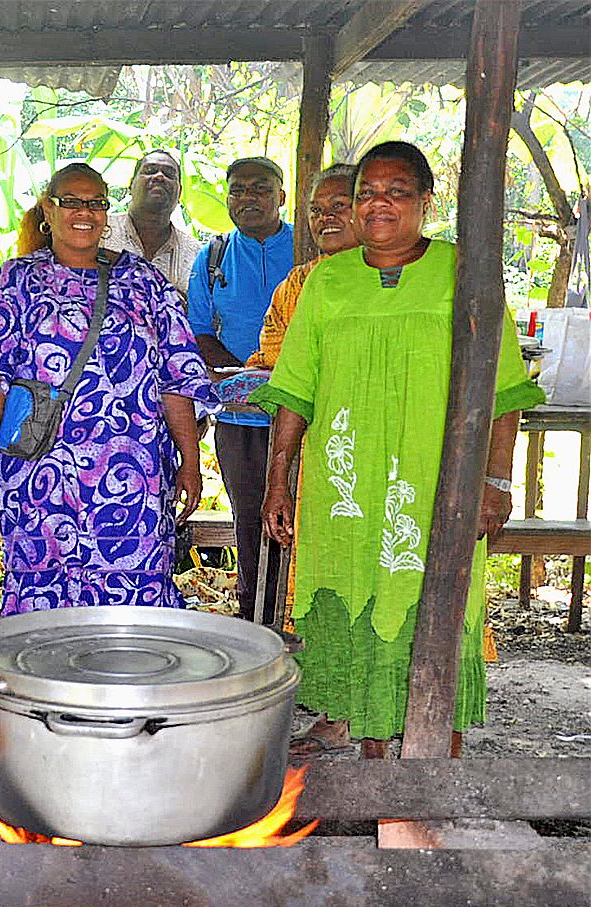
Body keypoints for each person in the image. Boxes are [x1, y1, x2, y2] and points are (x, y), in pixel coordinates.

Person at [253, 141, 545, 758]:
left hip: (438, 481)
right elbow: (295, 389)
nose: (378, 203)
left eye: (396, 191)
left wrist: (495, 484)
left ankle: (440, 770)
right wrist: (279, 477)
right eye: (367, 193)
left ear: (425, 202)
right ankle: (377, 772)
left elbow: (505, 391)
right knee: (357, 608)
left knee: (436, 608)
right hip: (346, 492)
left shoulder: (464, 273)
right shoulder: (327, 281)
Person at [0, 163, 213, 611]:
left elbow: (175, 379)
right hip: (40, 478)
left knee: (134, 597)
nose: (85, 212)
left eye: (96, 203)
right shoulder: (16, 282)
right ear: (48, 211)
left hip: (134, 481)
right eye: (71, 201)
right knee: (43, 599)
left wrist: (189, 461)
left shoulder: (144, 282)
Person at [187, 156, 295, 620]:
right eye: (238, 190)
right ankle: (258, 618)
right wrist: (246, 377)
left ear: (282, 197)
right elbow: (198, 332)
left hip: (306, 411)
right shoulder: (212, 256)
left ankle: (301, 613)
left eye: (260, 189)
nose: (247, 198)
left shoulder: (308, 248)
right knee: (251, 519)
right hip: (240, 418)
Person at [246, 163, 359, 370]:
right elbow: (273, 358)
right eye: (316, 209)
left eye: (339, 205)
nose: (324, 217)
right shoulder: (296, 284)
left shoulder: (390, 274)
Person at [101, 149, 203, 299]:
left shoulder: (196, 254)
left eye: (169, 174)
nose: (160, 176)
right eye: (150, 170)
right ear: (131, 185)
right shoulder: (100, 233)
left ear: (179, 192)